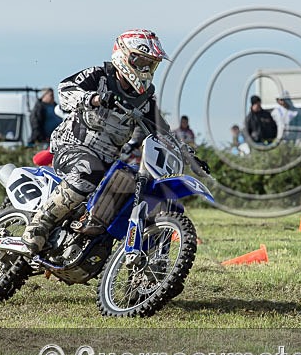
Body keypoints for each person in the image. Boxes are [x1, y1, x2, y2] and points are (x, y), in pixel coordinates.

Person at [21, 29, 207, 253]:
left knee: (130, 189)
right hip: (72, 145)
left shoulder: (145, 99)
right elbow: (65, 90)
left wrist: (188, 155)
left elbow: (162, 131)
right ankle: (39, 223)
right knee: (88, 169)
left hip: (108, 159)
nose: (146, 69)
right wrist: (95, 98)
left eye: (151, 64)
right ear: (125, 55)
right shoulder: (99, 75)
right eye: (142, 61)